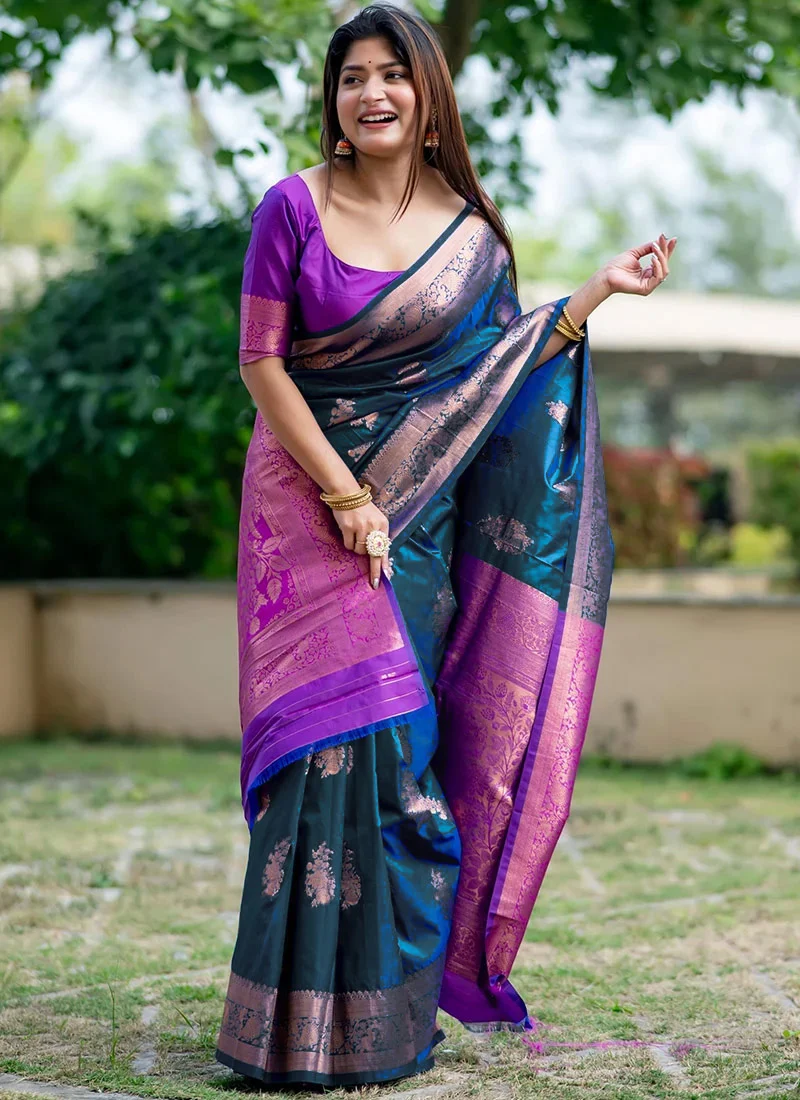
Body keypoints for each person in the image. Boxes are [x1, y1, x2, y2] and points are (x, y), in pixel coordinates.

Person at [214, 3, 676, 1089]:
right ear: (332, 100)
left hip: (414, 524)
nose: (370, 93)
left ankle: (383, 1025)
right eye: (351, 77)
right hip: (304, 510)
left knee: (395, 748)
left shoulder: (470, 236)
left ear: (428, 98)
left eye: (392, 74)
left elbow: (495, 375)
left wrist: (595, 294)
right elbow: (261, 363)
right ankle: (283, 1029)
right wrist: (345, 495)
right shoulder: (292, 207)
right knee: (322, 751)